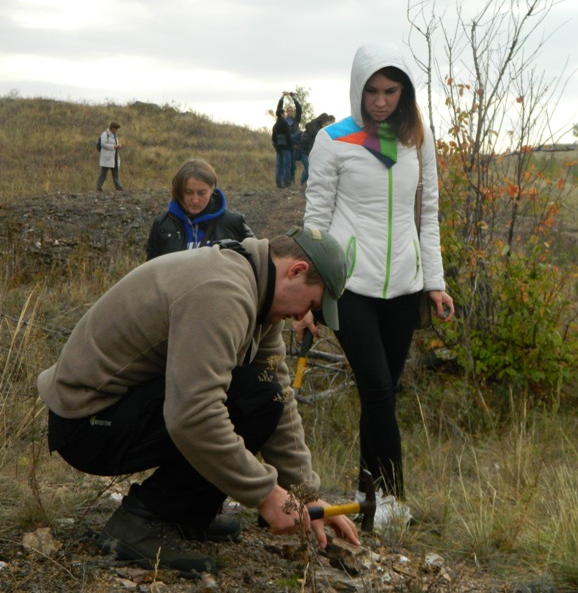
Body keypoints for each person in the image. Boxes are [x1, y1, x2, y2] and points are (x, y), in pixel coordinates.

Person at [38, 227, 358, 576]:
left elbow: (277, 391)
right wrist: (266, 495)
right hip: (87, 423)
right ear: (295, 271)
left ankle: (183, 514)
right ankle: (141, 520)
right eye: (311, 304)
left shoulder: (258, 291)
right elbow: (193, 415)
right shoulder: (223, 293)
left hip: (119, 409)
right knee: (244, 396)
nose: (302, 317)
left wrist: (305, 494)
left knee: (261, 392)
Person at [298, 42, 455, 528]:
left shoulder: (417, 140)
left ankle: (370, 499)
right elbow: (316, 221)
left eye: (391, 91)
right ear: (357, 88)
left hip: (405, 289)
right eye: (372, 90)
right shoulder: (332, 139)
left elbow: (427, 216)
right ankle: (391, 499)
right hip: (351, 288)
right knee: (379, 389)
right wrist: (308, 294)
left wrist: (435, 282)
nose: (380, 101)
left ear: (405, 93)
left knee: (383, 393)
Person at [146, 158, 254, 260]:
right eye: (188, 192)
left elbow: (258, 259)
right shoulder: (161, 225)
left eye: (202, 193)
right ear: (179, 191)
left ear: (212, 189)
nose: (195, 200)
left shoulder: (234, 222)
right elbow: (152, 272)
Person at [297, 113, 335, 188]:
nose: (325, 123)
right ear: (323, 119)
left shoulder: (318, 126)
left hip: (310, 149)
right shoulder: (313, 125)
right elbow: (313, 136)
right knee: (309, 168)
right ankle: (302, 183)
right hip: (306, 150)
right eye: (325, 121)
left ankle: (304, 183)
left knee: (308, 167)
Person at [277, 92, 303, 184]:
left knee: (293, 164)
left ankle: (292, 179)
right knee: (284, 164)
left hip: (294, 145)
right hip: (286, 144)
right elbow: (279, 110)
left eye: (291, 111)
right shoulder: (283, 121)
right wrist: (282, 98)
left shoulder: (296, 120)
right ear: (286, 112)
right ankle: (284, 180)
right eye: (288, 111)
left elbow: (299, 109)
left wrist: (293, 98)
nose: (290, 112)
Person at [96, 120, 124, 192]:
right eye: (116, 129)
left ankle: (119, 187)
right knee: (103, 174)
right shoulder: (105, 134)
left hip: (114, 157)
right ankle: (98, 187)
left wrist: (118, 146)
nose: (117, 130)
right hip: (107, 157)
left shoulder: (115, 136)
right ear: (112, 128)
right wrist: (114, 147)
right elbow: (103, 144)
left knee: (115, 173)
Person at [271, 109, 293, 188]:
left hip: (278, 148)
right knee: (286, 165)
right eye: (284, 113)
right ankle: (286, 182)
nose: (286, 115)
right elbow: (288, 136)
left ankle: (278, 183)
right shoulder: (285, 124)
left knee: (279, 166)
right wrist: (290, 145)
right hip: (286, 147)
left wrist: (276, 146)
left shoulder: (275, 125)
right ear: (281, 114)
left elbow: (273, 138)